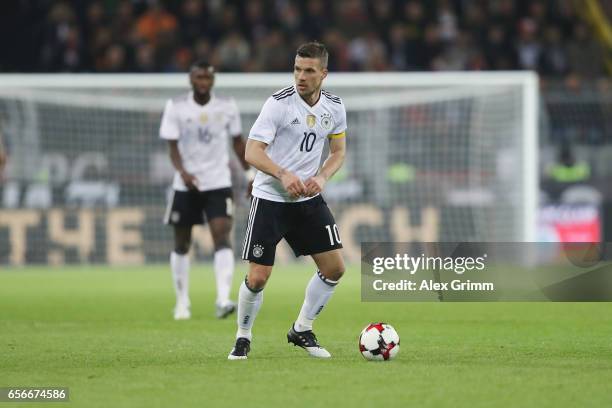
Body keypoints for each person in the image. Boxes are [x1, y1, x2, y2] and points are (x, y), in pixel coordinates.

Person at [228, 42, 347, 360]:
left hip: (308, 200)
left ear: (324, 73)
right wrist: (283, 175)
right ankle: (243, 336)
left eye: (309, 70)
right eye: (297, 69)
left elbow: (338, 153)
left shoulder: (334, 107)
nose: (301, 77)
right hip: (270, 198)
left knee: (335, 268)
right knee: (258, 277)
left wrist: (321, 178)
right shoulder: (278, 104)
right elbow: (251, 151)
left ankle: (302, 328)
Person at [159, 59, 254, 320]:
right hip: (185, 185)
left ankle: (223, 298)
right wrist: (183, 172)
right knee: (182, 243)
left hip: (218, 182)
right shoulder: (176, 106)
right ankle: (181, 302)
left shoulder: (227, 106)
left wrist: (248, 174)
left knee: (222, 236)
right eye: (199, 77)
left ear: (213, 80)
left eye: (208, 78)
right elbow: (172, 146)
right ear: (191, 79)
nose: (203, 82)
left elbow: (237, 143)